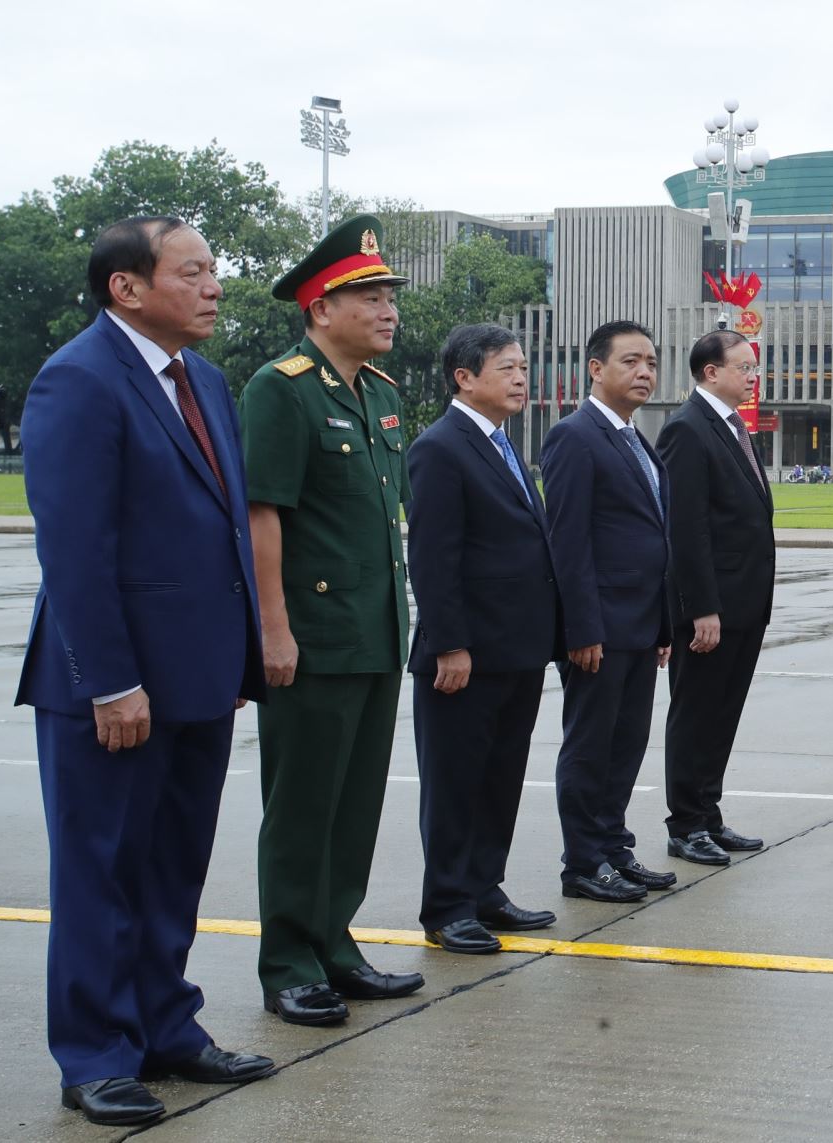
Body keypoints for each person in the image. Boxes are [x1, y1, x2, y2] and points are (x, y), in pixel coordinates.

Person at [17, 217, 274, 1126]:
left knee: (172, 866)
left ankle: (167, 1025)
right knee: (101, 873)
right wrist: (109, 681)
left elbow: (224, 532)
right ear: (127, 287)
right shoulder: (80, 379)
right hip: (113, 686)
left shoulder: (200, 378)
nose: (214, 286)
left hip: (197, 676)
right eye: (193, 271)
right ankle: (94, 1052)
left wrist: (238, 655)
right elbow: (77, 549)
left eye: (215, 271)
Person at [241, 215, 423, 1025]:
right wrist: (272, 630)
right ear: (320, 307)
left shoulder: (381, 394)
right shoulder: (280, 389)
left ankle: (335, 945)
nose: (389, 310)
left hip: (376, 631)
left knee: (354, 805)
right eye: (370, 295)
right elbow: (263, 516)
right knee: (302, 806)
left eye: (389, 295)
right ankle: (288, 961)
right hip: (312, 639)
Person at [405, 324, 560, 954]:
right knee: (456, 782)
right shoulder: (440, 447)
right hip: (465, 653)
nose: (521, 378)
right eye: (507, 368)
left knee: (501, 777)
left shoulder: (503, 445)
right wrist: (448, 642)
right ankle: (447, 905)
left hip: (516, 648)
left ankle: (484, 888)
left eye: (523, 368)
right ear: (464, 378)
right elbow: (434, 556)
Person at [542, 320, 676, 903]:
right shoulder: (575, 436)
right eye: (631, 361)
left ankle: (613, 848)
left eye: (650, 361)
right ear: (595, 369)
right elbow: (567, 541)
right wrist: (581, 627)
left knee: (626, 744)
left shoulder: (634, 437)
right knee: (591, 746)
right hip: (599, 628)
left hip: (640, 626)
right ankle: (583, 862)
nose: (645, 371)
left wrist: (662, 627)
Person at [656, 330, 775, 865]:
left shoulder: (730, 426)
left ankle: (708, 814)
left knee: (723, 712)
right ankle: (685, 824)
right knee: (697, 711)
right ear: (710, 372)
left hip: (745, 603)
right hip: (712, 608)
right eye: (744, 367)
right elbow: (686, 528)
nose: (754, 376)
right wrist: (701, 606)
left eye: (754, 367)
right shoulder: (686, 429)